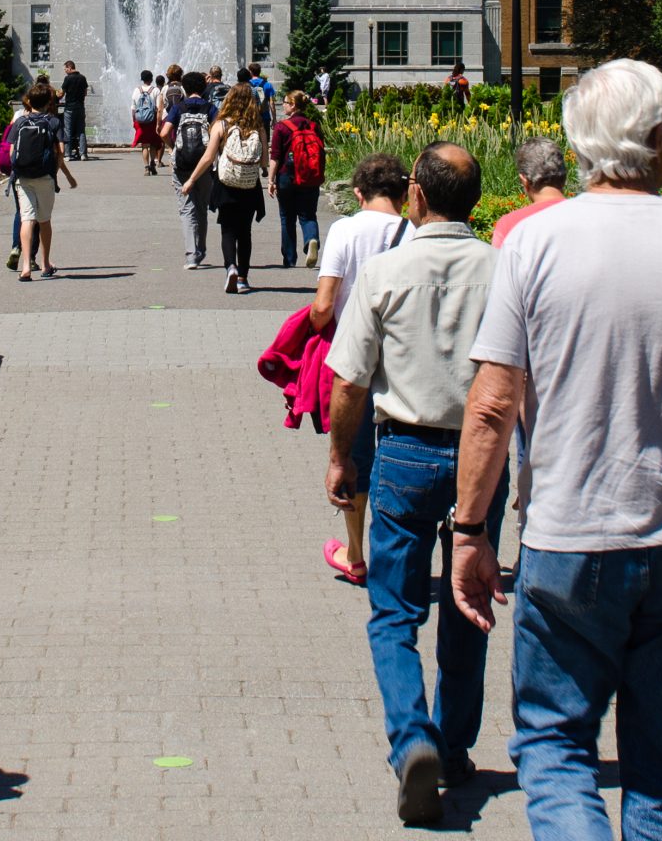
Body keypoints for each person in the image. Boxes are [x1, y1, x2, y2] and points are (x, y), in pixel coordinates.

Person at [452, 58, 662, 841]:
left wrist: (470, 531)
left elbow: (494, 403)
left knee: (556, 750)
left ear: (578, 142)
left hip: (572, 536)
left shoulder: (535, 246)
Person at [326, 144, 502, 826]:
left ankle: (412, 739)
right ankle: (454, 747)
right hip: (481, 458)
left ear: (417, 199)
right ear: (475, 202)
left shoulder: (385, 272)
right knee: (470, 598)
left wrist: (344, 459)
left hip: (403, 450)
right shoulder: (504, 269)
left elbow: (350, 380)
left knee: (394, 611)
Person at [313, 154, 412, 583]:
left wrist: (318, 326)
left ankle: (355, 554)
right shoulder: (416, 234)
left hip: (354, 358)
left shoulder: (345, 230)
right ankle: (401, 549)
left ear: (358, 193)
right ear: (405, 193)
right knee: (401, 450)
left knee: (352, 459)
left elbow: (322, 304)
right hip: (402, 360)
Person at [182, 81, 266, 293]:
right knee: (245, 232)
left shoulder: (221, 124)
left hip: (226, 183)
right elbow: (264, 161)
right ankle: (244, 279)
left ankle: (231, 267)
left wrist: (191, 179)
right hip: (250, 185)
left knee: (227, 230)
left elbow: (209, 157)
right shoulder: (258, 126)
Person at [9, 81, 76, 280]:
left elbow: (12, 151)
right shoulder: (53, 121)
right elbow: (61, 152)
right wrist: (54, 171)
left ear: (30, 101)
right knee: (44, 220)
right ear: (48, 102)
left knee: (26, 219)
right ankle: (46, 264)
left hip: (23, 177)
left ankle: (25, 266)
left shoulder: (20, 121)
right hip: (45, 177)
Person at [271, 93, 327, 268]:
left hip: (287, 176)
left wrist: (271, 180)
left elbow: (276, 157)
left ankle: (289, 259)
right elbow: (321, 152)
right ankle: (311, 239)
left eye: (286, 103)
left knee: (287, 217)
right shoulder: (313, 125)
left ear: (293, 105)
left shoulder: (282, 127)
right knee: (308, 214)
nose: (283, 106)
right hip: (310, 176)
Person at [165, 80, 216, 268]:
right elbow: (218, 132)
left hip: (182, 165)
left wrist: (173, 148)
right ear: (203, 88)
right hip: (203, 164)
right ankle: (201, 250)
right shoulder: (210, 108)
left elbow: (163, 132)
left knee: (187, 209)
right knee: (202, 208)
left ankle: (191, 255)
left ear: (184, 89)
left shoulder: (178, 107)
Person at [488, 137, 568, 247]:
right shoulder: (590, 215)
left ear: (524, 180)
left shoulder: (510, 224)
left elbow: (499, 263)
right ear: (564, 176)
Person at [133, 69, 164, 175]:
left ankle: (146, 167)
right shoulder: (155, 90)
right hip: (152, 121)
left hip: (141, 121)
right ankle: (152, 163)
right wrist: (159, 122)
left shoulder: (136, 90)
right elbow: (159, 108)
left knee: (144, 144)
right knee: (153, 144)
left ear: (142, 79)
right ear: (151, 79)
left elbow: (133, 108)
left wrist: (134, 121)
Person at [60, 59, 90, 161]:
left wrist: (55, 95)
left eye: (65, 69)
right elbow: (85, 93)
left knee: (68, 130)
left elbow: (61, 94)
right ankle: (83, 154)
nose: (65, 71)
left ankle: (68, 155)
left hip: (69, 108)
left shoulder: (67, 79)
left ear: (69, 67)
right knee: (81, 131)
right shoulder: (83, 78)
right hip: (80, 107)